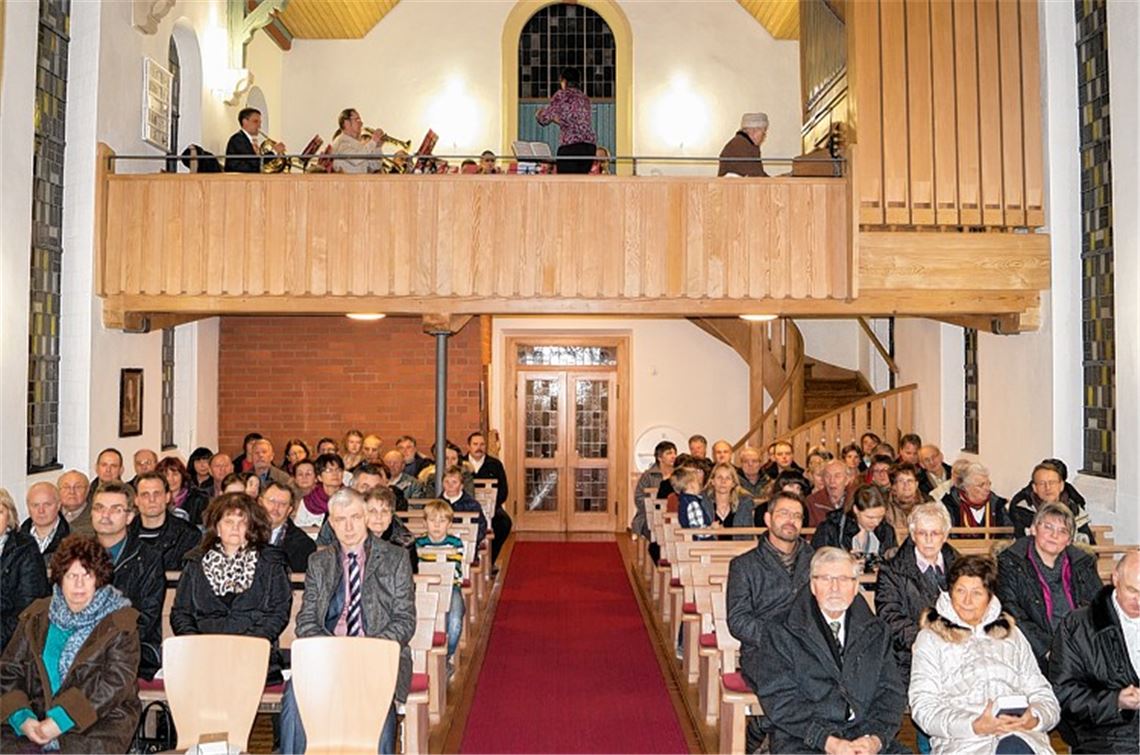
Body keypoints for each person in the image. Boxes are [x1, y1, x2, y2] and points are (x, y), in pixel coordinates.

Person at [279, 488, 415, 755]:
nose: (349, 526)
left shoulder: (395, 558)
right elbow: (307, 620)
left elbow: (404, 619)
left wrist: (366, 650)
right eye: (341, 519)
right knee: (295, 694)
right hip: (328, 654)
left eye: (354, 516)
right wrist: (334, 650)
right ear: (331, 522)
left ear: (365, 516)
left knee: (377, 702)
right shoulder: (319, 562)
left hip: (377, 655)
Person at [752, 547, 906, 753]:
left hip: (864, 734)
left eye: (843, 579)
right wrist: (828, 742)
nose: (835, 587)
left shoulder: (877, 631)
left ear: (855, 586)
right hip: (805, 736)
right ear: (813, 585)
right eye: (825, 579)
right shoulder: (781, 629)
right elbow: (780, 700)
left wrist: (875, 740)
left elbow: (891, 693)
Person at [0, 536, 140, 753]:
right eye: (71, 575)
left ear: (99, 578)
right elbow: (9, 671)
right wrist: (22, 718)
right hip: (34, 720)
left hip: (98, 723)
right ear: (59, 578)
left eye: (87, 575)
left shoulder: (120, 622)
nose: (79, 584)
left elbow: (114, 683)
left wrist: (60, 720)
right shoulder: (35, 616)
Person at [909, 554, 1060, 754]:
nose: (967, 601)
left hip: (1021, 736)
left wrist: (1034, 718)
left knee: (1013, 747)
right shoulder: (930, 639)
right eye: (960, 591)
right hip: (964, 742)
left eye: (977, 593)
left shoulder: (1011, 634)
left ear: (990, 597)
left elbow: (1044, 695)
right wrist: (974, 725)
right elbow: (924, 707)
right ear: (950, 592)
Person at [170, 492, 292, 684]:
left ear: (252, 527)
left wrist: (246, 646)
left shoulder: (271, 562)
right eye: (228, 521)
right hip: (203, 656)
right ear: (217, 528)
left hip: (253, 655)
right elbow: (181, 613)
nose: (235, 528)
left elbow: (278, 613)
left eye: (242, 522)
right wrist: (197, 645)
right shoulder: (195, 562)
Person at [1048, 550, 1140, 753]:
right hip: (1105, 740)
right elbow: (1062, 694)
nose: (1139, 601)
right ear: (1115, 579)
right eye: (1133, 591)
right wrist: (1116, 701)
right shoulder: (1078, 625)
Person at [996, 502, 1102, 670]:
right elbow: (1010, 610)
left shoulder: (1083, 563)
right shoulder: (1011, 562)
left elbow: (1099, 607)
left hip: (1081, 647)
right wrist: (1047, 648)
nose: (1054, 535)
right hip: (1034, 650)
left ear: (1069, 540)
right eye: (1048, 527)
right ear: (1033, 529)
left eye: (1062, 531)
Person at [876, 503, 957, 682]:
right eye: (922, 533)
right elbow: (889, 617)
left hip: (958, 654)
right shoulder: (892, 571)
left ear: (945, 536)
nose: (928, 539)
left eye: (935, 533)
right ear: (913, 535)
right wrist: (927, 641)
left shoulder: (961, 567)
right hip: (910, 659)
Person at [90, 481, 164, 680]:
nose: (105, 516)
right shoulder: (76, 554)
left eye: (115, 510)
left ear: (130, 516)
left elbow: (146, 618)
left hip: (130, 648)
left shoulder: (148, 558)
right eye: (99, 508)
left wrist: (104, 644)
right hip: (82, 648)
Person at [415, 499, 466, 661]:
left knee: (455, 618)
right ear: (425, 523)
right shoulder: (418, 543)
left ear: (449, 524)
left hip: (451, 587)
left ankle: (447, 656)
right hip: (424, 588)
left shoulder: (455, 543)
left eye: (442, 521)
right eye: (432, 521)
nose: (437, 525)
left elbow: (453, 567)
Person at [1, 489, 51, 650]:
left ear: (9, 516)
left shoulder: (25, 549)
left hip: (12, 640)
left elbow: (27, 609)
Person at [1008, 461, 1095, 544]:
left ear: (1061, 486)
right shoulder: (1023, 509)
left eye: (1052, 482)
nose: (1048, 487)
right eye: (1042, 483)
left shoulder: (1075, 510)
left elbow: (1090, 545)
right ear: (1034, 488)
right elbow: (1023, 542)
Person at [811, 484, 898, 567]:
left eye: (880, 517)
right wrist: (844, 561)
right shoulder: (831, 528)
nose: (876, 522)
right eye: (870, 517)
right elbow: (817, 562)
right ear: (856, 510)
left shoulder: (886, 530)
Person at [130, 473, 200, 572]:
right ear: (136, 500)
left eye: (157, 494)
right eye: (145, 495)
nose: (152, 500)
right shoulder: (124, 535)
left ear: (167, 497)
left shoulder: (189, 535)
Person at [535, 67, 596, 175]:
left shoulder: (562, 95)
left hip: (571, 147)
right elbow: (575, 121)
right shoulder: (584, 98)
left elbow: (544, 119)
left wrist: (539, 113)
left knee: (566, 183)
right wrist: (557, 119)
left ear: (564, 81)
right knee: (580, 183)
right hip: (589, 148)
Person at [464, 431, 512, 566]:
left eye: (482, 444)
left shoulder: (495, 464)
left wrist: (491, 508)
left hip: (492, 508)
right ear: (468, 446)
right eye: (475, 444)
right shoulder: (462, 464)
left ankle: (490, 561)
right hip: (466, 507)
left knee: (504, 523)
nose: (479, 447)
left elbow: (503, 491)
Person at [261, 481, 316, 574]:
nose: (275, 508)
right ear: (260, 502)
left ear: (289, 510)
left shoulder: (303, 545)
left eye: (282, 504)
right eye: (271, 501)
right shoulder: (244, 535)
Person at [940, 461, 1010, 530]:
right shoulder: (949, 505)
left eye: (988, 484)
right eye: (981, 485)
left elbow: (1008, 531)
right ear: (966, 487)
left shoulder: (996, 503)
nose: (987, 488)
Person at [364, 487, 417, 573]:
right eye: (373, 511)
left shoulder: (405, 541)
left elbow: (409, 578)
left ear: (391, 516)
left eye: (384, 511)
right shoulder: (353, 539)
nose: (379, 517)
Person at [632, 440, 675, 539]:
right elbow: (639, 498)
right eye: (669, 453)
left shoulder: (678, 475)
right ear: (659, 457)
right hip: (650, 515)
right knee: (658, 529)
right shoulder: (648, 475)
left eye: (674, 453)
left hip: (673, 514)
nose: (673, 456)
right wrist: (655, 507)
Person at [21, 482, 70, 565]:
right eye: (35, 505)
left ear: (58, 505)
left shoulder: (74, 539)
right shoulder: (15, 542)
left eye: (47, 505)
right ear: (28, 507)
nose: (41, 511)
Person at [438, 465, 487, 549]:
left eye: (454, 482)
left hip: (466, 545)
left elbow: (481, 528)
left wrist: (469, 540)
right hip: (440, 544)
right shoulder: (437, 504)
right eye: (446, 482)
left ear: (461, 486)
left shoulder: (472, 505)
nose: (450, 486)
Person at [702, 463, 755, 536]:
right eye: (719, 477)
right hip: (709, 546)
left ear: (733, 483)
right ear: (712, 481)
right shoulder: (702, 503)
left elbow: (748, 535)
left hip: (738, 546)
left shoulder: (744, 505)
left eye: (728, 478)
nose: (723, 482)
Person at [224, 108, 282, 173]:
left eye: (260, 122)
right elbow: (253, 162)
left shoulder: (247, 140)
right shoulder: (238, 139)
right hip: (238, 180)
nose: (259, 126)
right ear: (245, 122)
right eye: (255, 121)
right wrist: (274, 151)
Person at [156, 455, 209, 526]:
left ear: (182, 476)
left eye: (175, 474)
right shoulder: (155, 499)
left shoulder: (199, 499)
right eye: (166, 475)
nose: (170, 479)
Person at [330, 108, 385, 174]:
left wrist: (377, 148)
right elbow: (355, 159)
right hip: (347, 183)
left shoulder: (358, 144)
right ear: (346, 123)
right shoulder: (341, 142)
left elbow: (375, 166)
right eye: (357, 119)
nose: (361, 123)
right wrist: (373, 141)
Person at [300, 453, 345, 528]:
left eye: (338, 470)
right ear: (319, 477)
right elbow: (298, 529)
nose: (335, 474)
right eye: (329, 470)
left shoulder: (351, 498)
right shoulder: (309, 501)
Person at [718, 112, 769, 177]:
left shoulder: (745, 144)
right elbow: (754, 176)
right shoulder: (738, 146)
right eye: (763, 132)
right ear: (753, 131)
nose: (764, 136)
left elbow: (758, 174)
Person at [805, 459, 852, 527]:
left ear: (847, 480)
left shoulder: (854, 501)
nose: (832, 481)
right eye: (828, 476)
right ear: (823, 479)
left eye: (837, 476)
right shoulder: (812, 501)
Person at [885, 462, 931, 528]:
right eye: (901, 481)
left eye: (910, 480)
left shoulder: (928, 503)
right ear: (894, 486)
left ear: (916, 484)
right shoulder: (884, 506)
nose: (906, 485)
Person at [57, 470, 94, 536]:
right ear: (58, 490)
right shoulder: (49, 514)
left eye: (78, 487)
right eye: (66, 487)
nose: (72, 492)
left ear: (87, 490)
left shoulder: (96, 517)